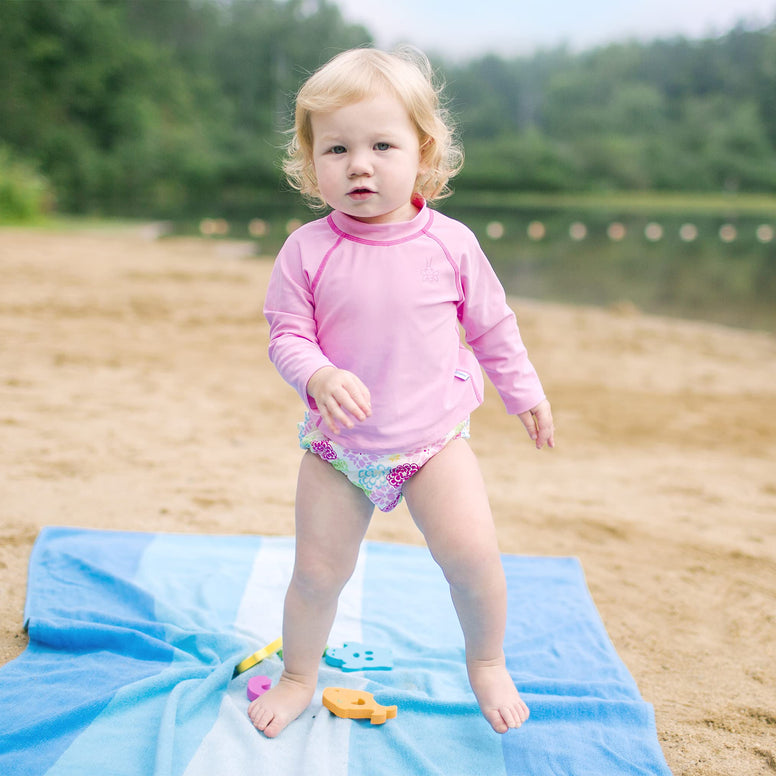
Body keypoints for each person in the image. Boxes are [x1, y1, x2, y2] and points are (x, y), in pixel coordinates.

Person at [249, 46, 554, 739]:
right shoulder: (307, 250)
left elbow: (493, 328)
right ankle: (299, 675)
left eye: (382, 144)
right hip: (337, 450)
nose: (360, 163)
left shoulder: (451, 245)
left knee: (472, 557)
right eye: (337, 148)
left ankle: (487, 660)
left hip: (434, 439)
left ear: (423, 152)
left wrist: (523, 392)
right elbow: (286, 336)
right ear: (310, 160)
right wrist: (318, 375)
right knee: (317, 575)